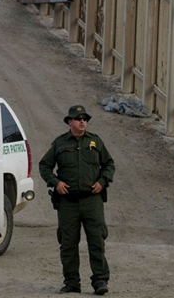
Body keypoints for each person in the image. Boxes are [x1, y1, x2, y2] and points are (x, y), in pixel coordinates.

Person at [39, 105, 116, 295]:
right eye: (78, 118)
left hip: (92, 200)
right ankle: (72, 282)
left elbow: (109, 164)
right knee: (68, 243)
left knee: (96, 240)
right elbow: (44, 166)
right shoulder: (59, 143)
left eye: (85, 119)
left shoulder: (95, 142)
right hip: (68, 202)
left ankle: (100, 281)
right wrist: (55, 182)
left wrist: (102, 181)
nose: (82, 121)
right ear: (69, 122)